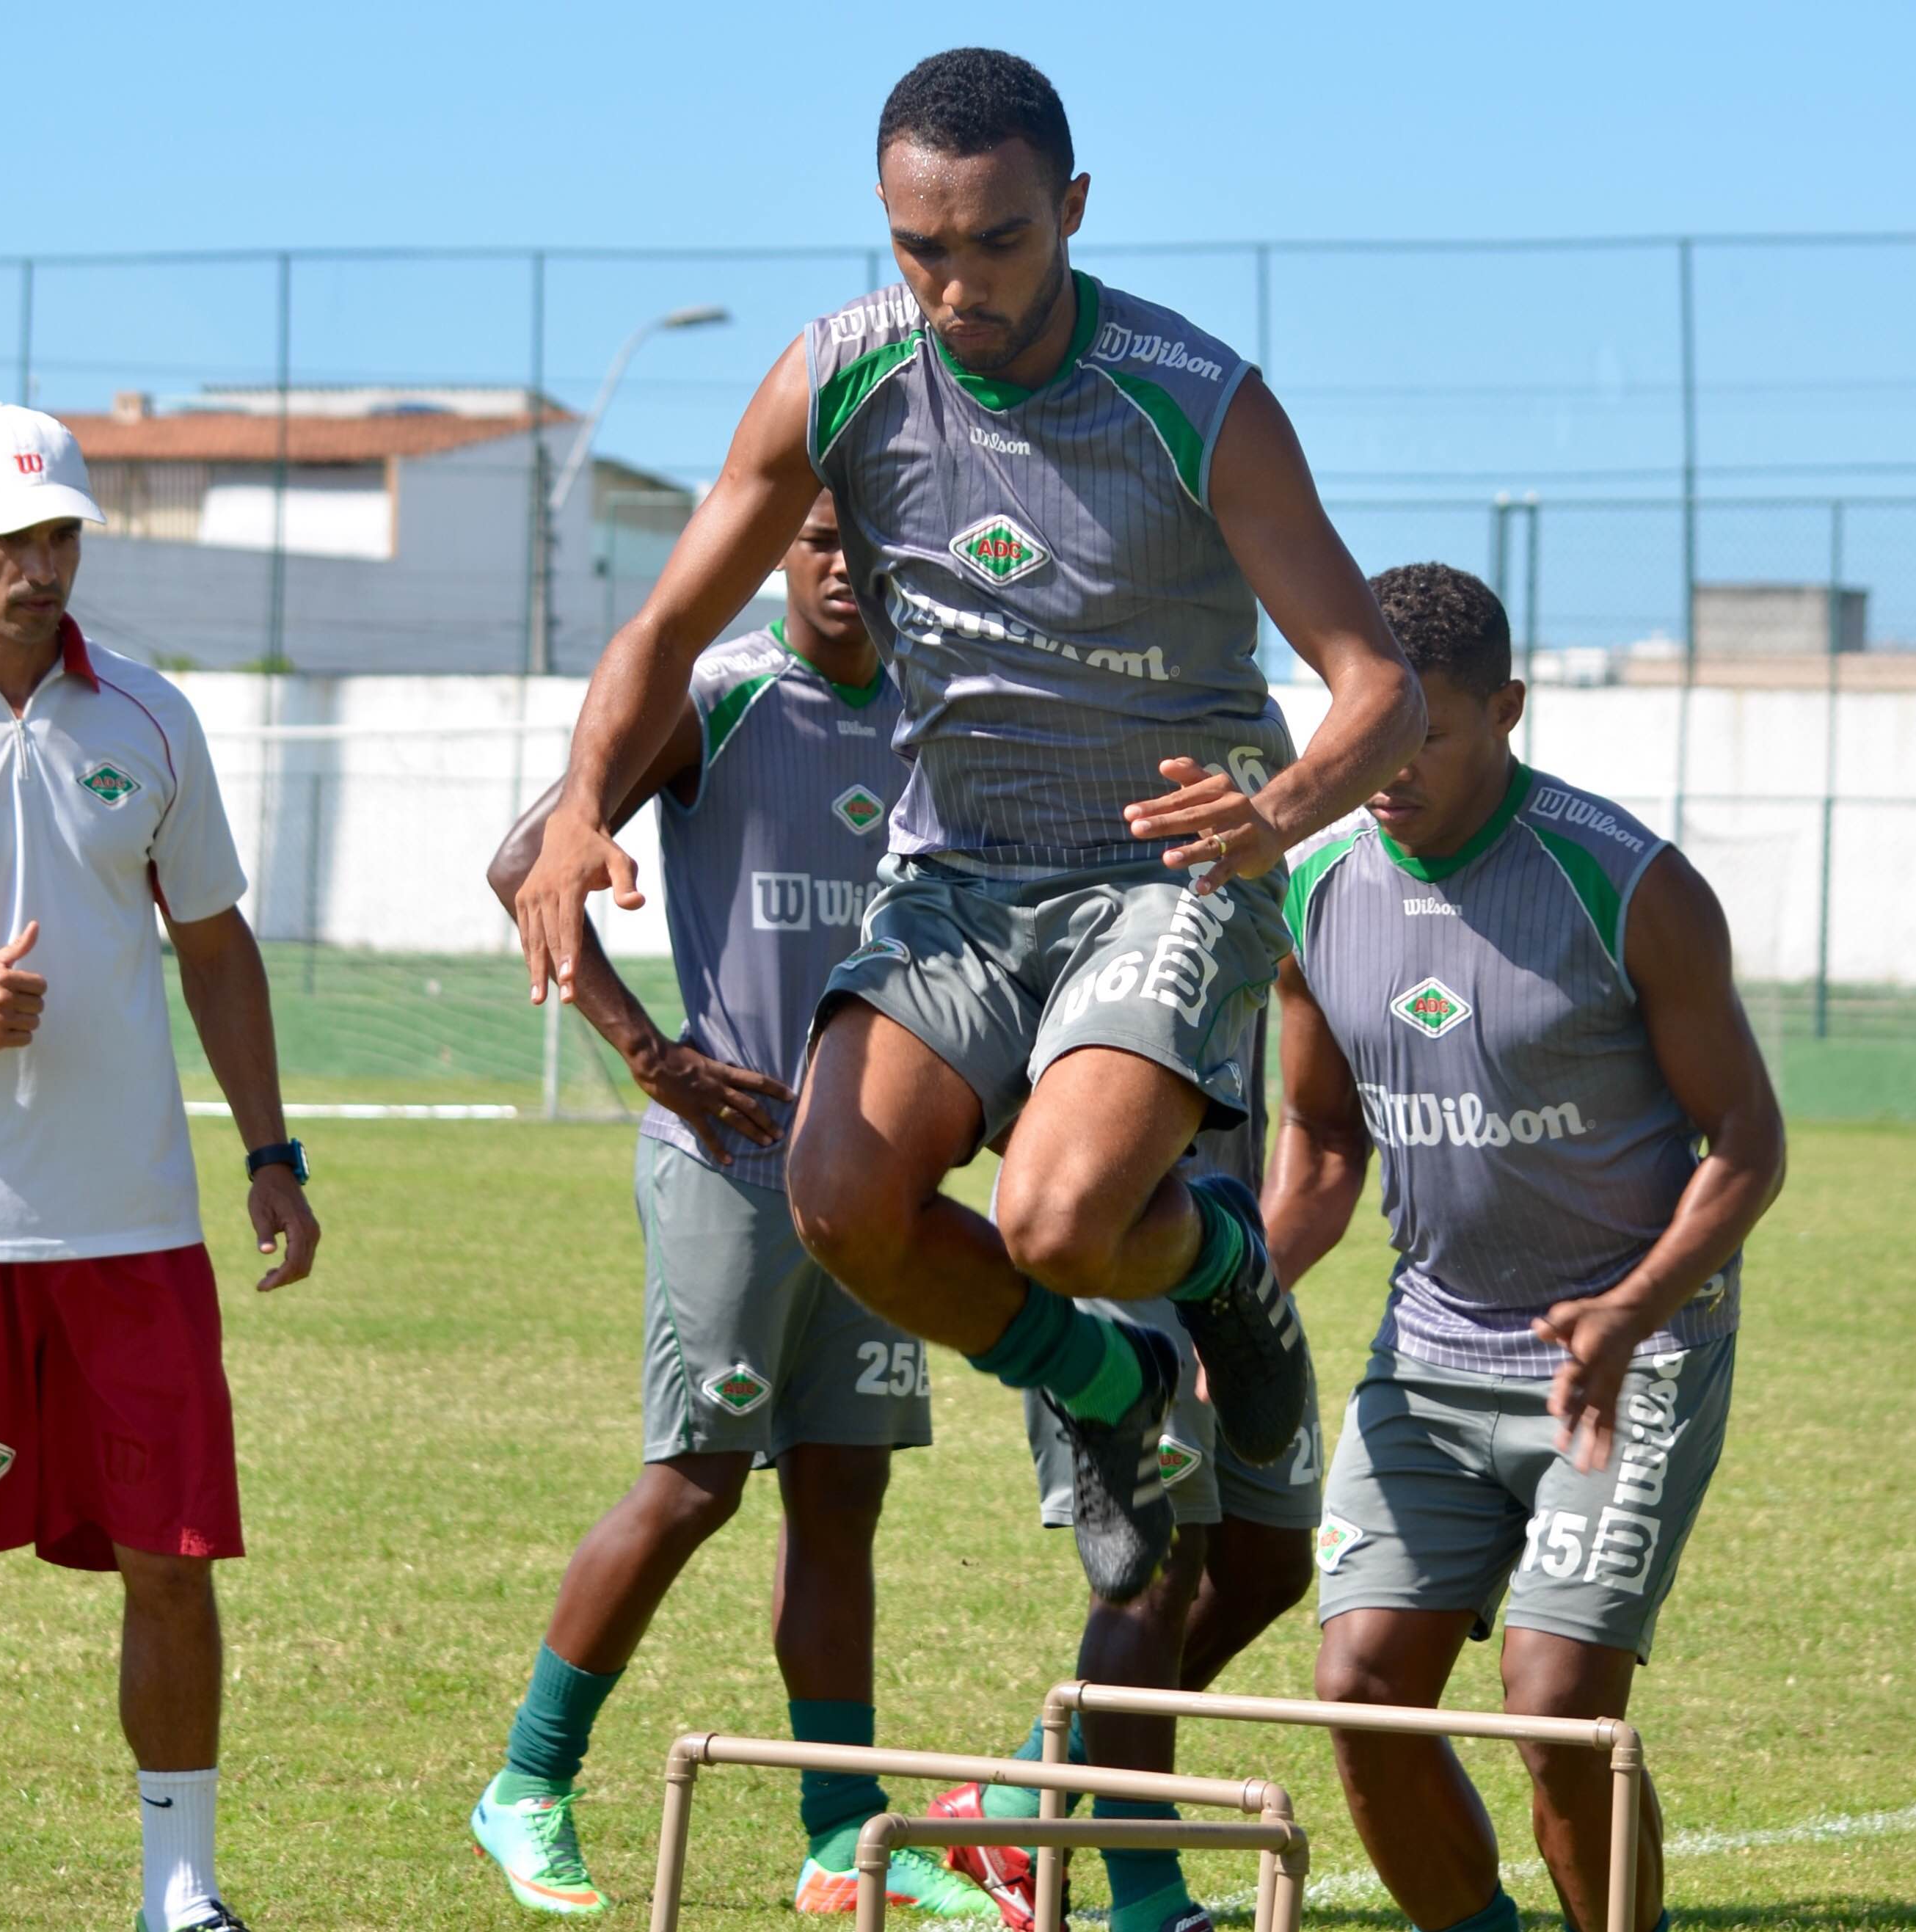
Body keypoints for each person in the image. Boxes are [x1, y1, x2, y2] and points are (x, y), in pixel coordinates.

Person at [511, 48, 1424, 1619]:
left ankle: (1226, 1276)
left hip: (1168, 864)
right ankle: (1110, 1391)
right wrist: (579, 809)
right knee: (838, 1194)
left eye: (996, 242)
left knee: (1059, 1218)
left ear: (1070, 210)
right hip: (959, 876)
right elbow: (666, 621)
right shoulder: (841, 372)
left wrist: (1270, 812)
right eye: (919, 247)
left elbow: (1381, 686)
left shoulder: (1196, 397)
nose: (955, 287)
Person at [471, 496, 988, 1920]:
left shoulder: (944, 711)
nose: (838, 559)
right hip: (733, 1165)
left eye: (865, 535)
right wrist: (655, 1057)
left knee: (842, 1491)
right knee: (696, 1477)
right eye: (813, 533)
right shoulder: (716, 696)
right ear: (773, 550)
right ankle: (527, 1781)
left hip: (879, 1181)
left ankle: (839, 1834)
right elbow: (527, 865)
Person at [1265, 563, 1786, 1932]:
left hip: (1627, 1358)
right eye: (1365, 722)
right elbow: (1323, 1145)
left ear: (1507, 707)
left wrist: (1630, 1307)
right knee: (1359, 1690)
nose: (1386, 762)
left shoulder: (1631, 883)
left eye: (1425, 730)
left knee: (1558, 1705)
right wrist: (1237, 1305)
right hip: (1428, 1356)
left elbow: (1746, 1140)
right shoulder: (1313, 882)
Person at [0, 404, 319, 1932]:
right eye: (9, 535)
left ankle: (181, 1884)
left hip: (133, 1225)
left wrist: (271, 1150)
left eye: (62, 533)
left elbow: (213, 942)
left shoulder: (149, 716)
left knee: (172, 1556)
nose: (39, 563)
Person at [930, 1023, 1322, 1932]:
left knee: (1268, 1566)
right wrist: (1087, 1164)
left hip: (1226, 1253)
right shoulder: (1075, 880)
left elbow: (1316, 1116)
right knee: (1154, 1568)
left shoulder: (1284, 889)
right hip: (1107, 1232)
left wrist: (1240, 1305)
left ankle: (1019, 1806)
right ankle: (1146, 1900)